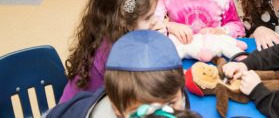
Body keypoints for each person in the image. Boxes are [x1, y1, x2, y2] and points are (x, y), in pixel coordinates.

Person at [59, 0, 165, 103]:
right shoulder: (114, 53)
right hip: (81, 111)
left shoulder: (112, 32)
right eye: (148, 17)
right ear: (124, 21)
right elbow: (137, 95)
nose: (155, 21)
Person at [47, 30, 200, 118]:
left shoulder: (176, 96)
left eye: (171, 103)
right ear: (117, 111)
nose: (161, 113)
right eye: (141, 110)